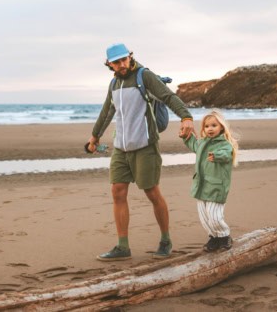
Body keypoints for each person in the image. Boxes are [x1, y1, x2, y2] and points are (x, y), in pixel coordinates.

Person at [88, 43, 195, 261]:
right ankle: (122, 247)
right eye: (117, 62)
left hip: (145, 146)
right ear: (109, 64)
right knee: (117, 192)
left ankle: (165, 240)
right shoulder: (114, 83)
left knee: (152, 192)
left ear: (130, 57)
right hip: (121, 148)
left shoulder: (144, 76)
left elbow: (168, 97)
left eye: (124, 59)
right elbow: (107, 111)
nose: (122, 64)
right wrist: (95, 136)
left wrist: (186, 117)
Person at [180, 109, 239, 252]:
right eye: (207, 126)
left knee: (214, 215)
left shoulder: (224, 144)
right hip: (201, 185)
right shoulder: (203, 143)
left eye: (214, 125)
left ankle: (224, 237)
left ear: (221, 127)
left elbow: (227, 154)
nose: (210, 129)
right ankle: (214, 237)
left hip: (216, 187)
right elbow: (194, 145)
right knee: (204, 216)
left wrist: (216, 155)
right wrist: (186, 137)